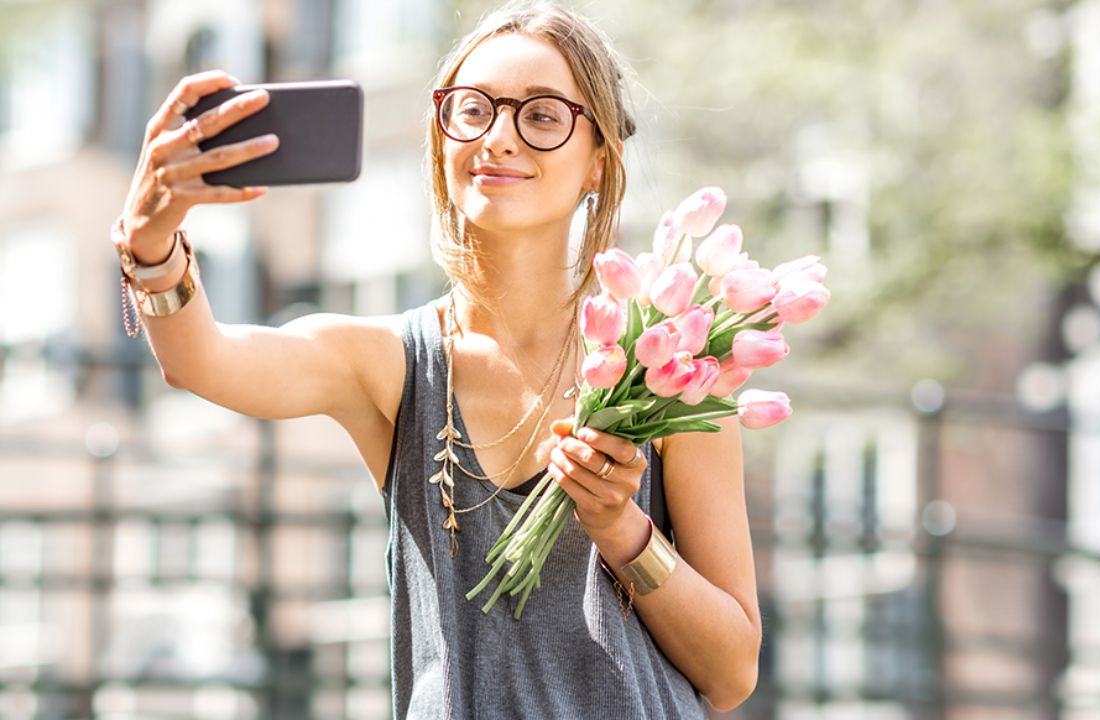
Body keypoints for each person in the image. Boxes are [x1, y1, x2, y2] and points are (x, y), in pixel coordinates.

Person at [112, 1, 760, 716]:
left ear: (597, 163)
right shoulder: (388, 364)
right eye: (472, 109)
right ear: (441, 139)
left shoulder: (669, 364)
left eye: (541, 116)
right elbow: (201, 360)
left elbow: (731, 674)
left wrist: (622, 530)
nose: (500, 138)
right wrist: (150, 243)